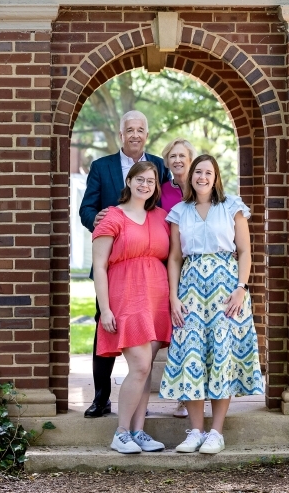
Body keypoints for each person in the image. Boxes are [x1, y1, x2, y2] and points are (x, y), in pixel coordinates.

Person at [160, 154, 263, 454]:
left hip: (226, 291)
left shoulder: (232, 207)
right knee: (191, 356)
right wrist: (173, 296)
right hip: (191, 290)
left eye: (208, 172)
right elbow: (176, 257)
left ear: (216, 177)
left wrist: (241, 289)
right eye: (198, 172)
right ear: (190, 177)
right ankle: (195, 431)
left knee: (222, 356)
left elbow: (244, 251)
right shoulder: (180, 211)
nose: (202, 177)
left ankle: (216, 432)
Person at [79, 111, 169, 418]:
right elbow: (87, 208)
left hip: (148, 264)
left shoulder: (158, 165)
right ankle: (101, 396)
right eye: (129, 130)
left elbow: (166, 204)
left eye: (140, 130)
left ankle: (139, 413)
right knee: (106, 324)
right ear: (121, 134)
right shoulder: (101, 167)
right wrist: (104, 226)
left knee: (146, 337)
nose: (135, 134)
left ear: (146, 134)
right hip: (114, 264)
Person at [92, 162, 172, 453]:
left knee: (146, 368)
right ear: (129, 180)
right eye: (140, 179)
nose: (145, 185)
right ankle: (121, 432)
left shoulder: (162, 216)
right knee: (139, 365)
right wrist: (106, 309)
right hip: (125, 297)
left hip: (156, 299)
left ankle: (139, 432)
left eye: (151, 181)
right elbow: (99, 266)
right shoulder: (112, 217)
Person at [160, 137, 196, 419]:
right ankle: (184, 394)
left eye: (182, 156)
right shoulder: (162, 191)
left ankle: (195, 394)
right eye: (172, 156)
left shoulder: (203, 185)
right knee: (180, 327)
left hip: (198, 265)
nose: (177, 161)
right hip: (169, 264)